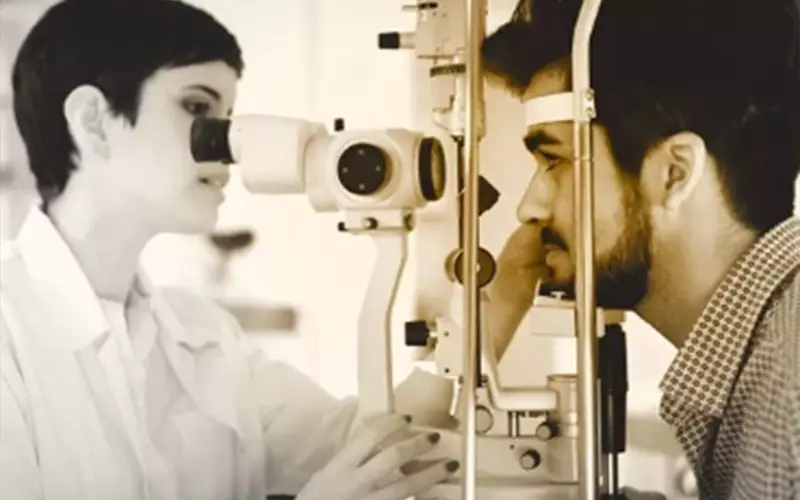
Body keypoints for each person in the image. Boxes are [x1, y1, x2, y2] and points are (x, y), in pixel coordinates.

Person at [0, 1, 463, 499]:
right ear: (93, 120)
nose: (229, 148)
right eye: (197, 107)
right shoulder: (11, 335)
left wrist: (499, 294)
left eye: (229, 117)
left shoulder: (209, 339)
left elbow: (381, 449)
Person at [481, 0, 800, 498]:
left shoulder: (791, 394)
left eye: (554, 160)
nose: (529, 208)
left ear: (674, 173)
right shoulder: (764, 368)